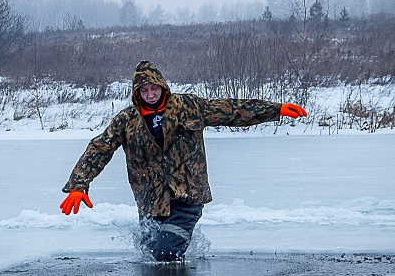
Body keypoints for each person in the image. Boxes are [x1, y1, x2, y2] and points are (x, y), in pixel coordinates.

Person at [60, 60, 307, 262]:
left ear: (162, 86)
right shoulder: (127, 120)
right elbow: (100, 147)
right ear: (137, 93)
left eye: (153, 89)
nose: (150, 95)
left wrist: (274, 110)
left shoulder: (188, 107)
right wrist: (78, 184)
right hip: (151, 201)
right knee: (152, 256)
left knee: (165, 253)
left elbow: (230, 110)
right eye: (144, 91)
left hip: (187, 195)